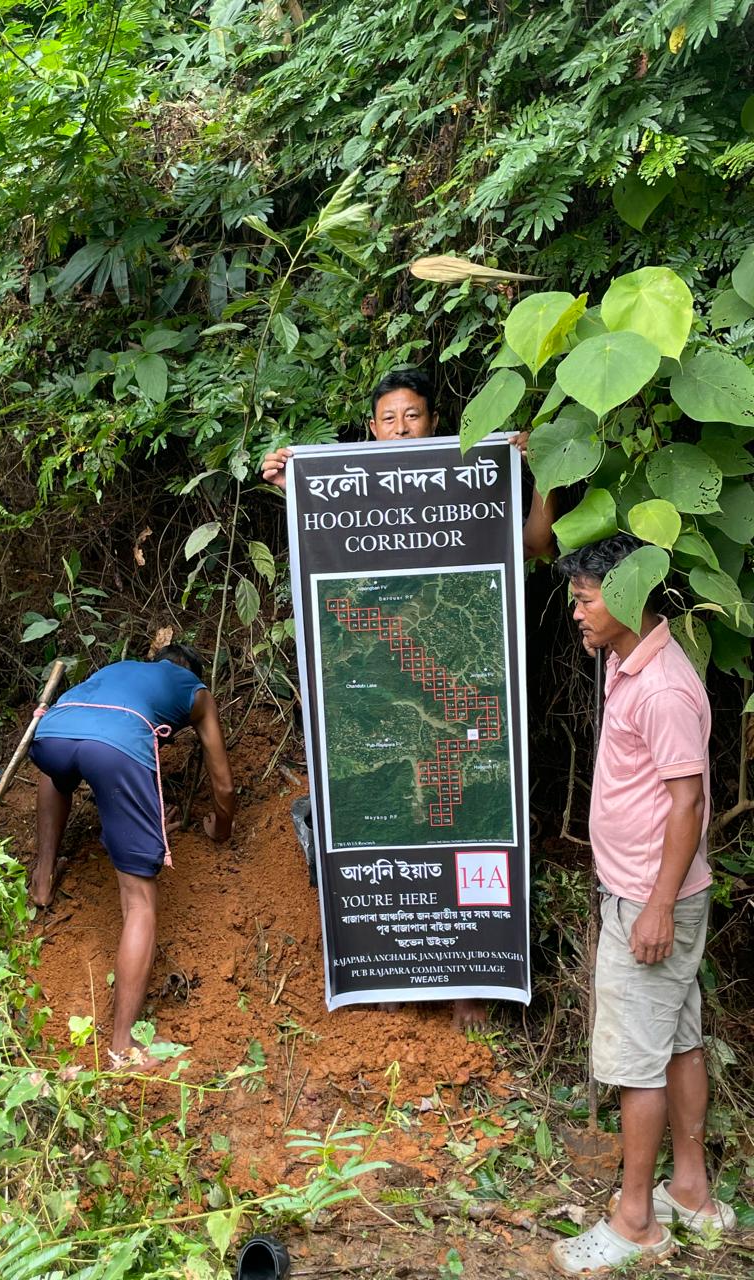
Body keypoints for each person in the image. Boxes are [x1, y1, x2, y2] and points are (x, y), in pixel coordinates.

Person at [261, 366, 556, 1030]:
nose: (401, 428)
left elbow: (535, 544)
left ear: (434, 422)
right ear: (371, 429)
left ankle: (469, 992)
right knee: (383, 823)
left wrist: (544, 474)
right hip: (376, 705)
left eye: (413, 417)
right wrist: (291, 487)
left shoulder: (468, 480)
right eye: (389, 419)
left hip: (462, 699)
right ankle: (384, 985)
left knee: (465, 823)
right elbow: (325, 557)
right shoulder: (346, 496)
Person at [550, 534, 733, 1276]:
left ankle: (636, 1223)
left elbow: (686, 802)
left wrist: (655, 907)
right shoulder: (631, 664)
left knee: (637, 1064)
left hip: (651, 904)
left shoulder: (661, 688)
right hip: (649, 895)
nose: (575, 611)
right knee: (679, 1040)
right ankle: (689, 1193)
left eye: (586, 597)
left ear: (626, 596)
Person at [28, 644, 235, 1068]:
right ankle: (123, 1044)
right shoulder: (195, 692)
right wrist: (221, 827)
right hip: (116, 747)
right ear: (191, 674)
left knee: (58, 771)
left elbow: (89, 738)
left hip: (51, 734)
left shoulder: (121, 667)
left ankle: (43, 876)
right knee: (140, 900)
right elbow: (225, 787)